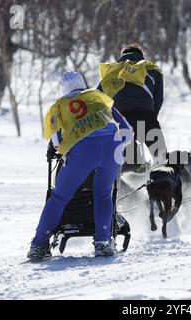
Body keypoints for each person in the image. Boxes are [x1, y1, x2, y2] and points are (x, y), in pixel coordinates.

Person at [27, 71, 132, 262]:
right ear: (83, 85)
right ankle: (102, 243)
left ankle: (38, 245)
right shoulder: (99, 97)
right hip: (113, 149)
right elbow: (128, 131)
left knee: (58, 197)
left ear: (62, 89)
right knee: (103, 195)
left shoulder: (58, 107)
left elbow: (57, 142)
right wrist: (117, 146)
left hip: (82, 152)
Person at [97, 44, 167, 169]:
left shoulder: (112, 71)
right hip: (146, 115)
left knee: (130, 164)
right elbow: (159, 99)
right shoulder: (151, 69)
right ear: (141, 57)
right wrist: (150, 118)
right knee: (161, 158)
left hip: (122, 119)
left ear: (122, 56)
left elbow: (98, 99)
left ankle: (132, 178)